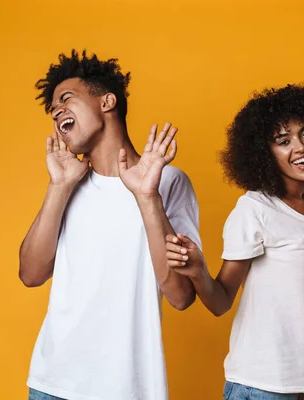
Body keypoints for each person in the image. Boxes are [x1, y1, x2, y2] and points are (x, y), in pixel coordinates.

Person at [165, 85, 304, 400]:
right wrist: (199, 269)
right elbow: (221, 301)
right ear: (264, 154)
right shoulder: (255, 209)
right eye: (283, 141)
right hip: (265, 387)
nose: (300, 147)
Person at [19, 49, 201, 400]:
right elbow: (30, 274)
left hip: (129, 389)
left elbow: (181, 295)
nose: (56, 111)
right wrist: (59, 186)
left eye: (66, 99)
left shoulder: (169, 182)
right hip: (52, 385)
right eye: (52, 108)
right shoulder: (68, 184)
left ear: (107, 101)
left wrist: (148, 197)